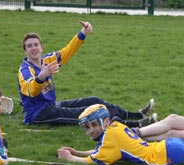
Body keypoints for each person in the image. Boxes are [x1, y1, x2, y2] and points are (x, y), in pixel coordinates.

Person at [17, 21, 156, 127]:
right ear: (25, 51)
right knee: (91, 112)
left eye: (36, 45)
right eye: (29, 46)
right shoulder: (24, 70)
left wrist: (83, 32)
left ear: (41, 47)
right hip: (38, 114)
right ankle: (136, 124)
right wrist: (41, 77)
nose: (33, 48)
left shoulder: (47, 60)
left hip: (52, 105)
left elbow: (68, 51)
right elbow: (31, 91)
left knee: (94, 100)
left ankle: (135, 114)